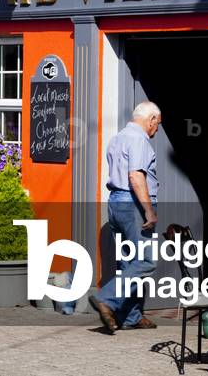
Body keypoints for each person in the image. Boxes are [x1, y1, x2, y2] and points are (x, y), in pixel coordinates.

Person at [89, 101, 161, 333]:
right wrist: (148, 209)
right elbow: (135, 176)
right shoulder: (139, 139)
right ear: (150, 119)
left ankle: (132, 316)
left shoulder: (117, 138)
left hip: (116, 203)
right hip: (133, 205)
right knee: (145, 261)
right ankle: (107, 299)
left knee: (128, 261)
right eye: (157, 124)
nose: (157, 129)